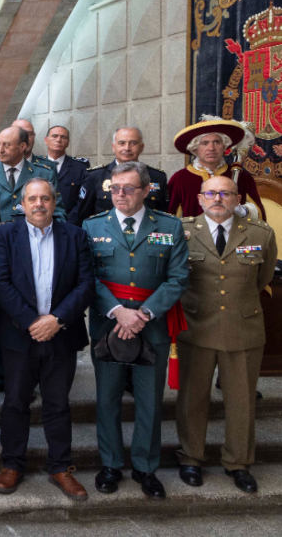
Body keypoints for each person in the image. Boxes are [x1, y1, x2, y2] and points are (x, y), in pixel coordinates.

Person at [83, 161, 189, 500]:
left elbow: (178, 278)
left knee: (149, 402)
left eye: (128, 188)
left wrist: (142, 314)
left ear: (146, 190)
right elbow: (89, 278)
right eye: (115, 188)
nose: (120, 195)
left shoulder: (169, 227)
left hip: (152, 327)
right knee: (108, 399)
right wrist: (118, 312)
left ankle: (145, 467)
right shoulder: (92, 226)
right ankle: (111, 464)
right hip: (107, 327)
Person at [0, 178, 94, 500]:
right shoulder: (5, 235)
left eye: (44, 198)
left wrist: (56, 320)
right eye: (31, 198)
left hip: (60, 334)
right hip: (19, 335)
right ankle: (12, 464)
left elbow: (86, 284)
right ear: (21, 204)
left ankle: (60, 467)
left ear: (55, 201)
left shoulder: (75, 236)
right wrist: (33, 321)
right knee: (15, 402)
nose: (38, 204)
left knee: (58, 404)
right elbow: (0, 282)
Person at [176, 176, 277, 494]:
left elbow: (264, 276)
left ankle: (238, 463)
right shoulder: (183, 231)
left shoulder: (261, 233)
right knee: (193, 398)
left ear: (237, 199)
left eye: (225, 193)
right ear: (200, 198)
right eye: (211, 193)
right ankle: (191, 457)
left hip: (242, 328)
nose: (218, 198)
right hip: (196, 327)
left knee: (241, 401)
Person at [168, 118, 265, 218]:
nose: (211, 148)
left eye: (217, 142)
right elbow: (168, 218)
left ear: (224, 147)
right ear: (195, 148)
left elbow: (260, 214)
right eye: (205, 143)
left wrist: (244, 211)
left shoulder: (242, 177)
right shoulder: (180, 178)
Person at [0, 126, 63, 227]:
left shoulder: (44, 174)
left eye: (6, 145)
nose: (0, 150)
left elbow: (58, 212)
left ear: (22, 147)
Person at [76, 127, 169, 224]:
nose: (127, 148)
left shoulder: (157, 177)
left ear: (142, 147)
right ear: (113, 147)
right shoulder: (95, 176)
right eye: (122, 143)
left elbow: (163, 214)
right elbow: (82, 215)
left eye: (133, 143)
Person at [42, 126, 89, 223]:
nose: (58, 140)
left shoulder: (80, 167)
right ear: (46, 140)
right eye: (54, 136)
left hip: (71, 223)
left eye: (63, 137)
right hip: (41, 222)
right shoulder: (36, 166)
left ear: (68, 142)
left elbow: (83, 200)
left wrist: (67, 222)